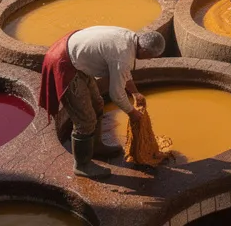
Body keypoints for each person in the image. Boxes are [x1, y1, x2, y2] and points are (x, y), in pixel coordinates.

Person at [38, 25, 167, 179]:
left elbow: (123, 73)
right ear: (144, 50)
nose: (150, 59)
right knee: (85, 121)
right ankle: (82, 165)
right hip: (64, 62)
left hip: (75, 55)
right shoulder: (123, 55)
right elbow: (116, 94)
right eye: (150, 56)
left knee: (97, 104)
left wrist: (135, 92)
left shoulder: (131, 39)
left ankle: (96, 146)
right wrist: (132, 113)